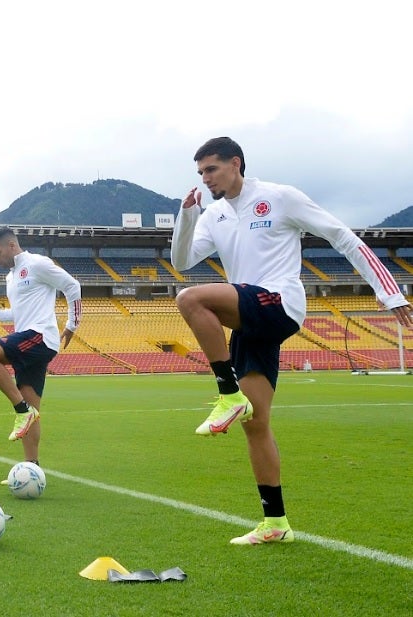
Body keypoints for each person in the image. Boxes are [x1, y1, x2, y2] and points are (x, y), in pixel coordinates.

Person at [171, 136, 412, 545]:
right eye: (200, 173)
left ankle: (227, 393)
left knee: (190, 298)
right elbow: (180, 262)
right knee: (256, 423)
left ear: (236, 163)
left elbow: (343, 236)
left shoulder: (279, 197)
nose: (205, 179)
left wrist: (389, 292)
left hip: (278, 302)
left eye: (211, 169)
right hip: (250, 319)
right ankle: (275, 523)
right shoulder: (214, 216)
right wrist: (188, 216)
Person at [0, 227, 81, 468]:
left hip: (40, 336)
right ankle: (31, 468)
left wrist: (72, 324)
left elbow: (72, 286)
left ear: (12, 246)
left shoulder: (37, 264)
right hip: (27, 337)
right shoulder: (10, 277)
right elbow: (20, 312)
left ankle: (21, 410)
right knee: (32, 406)